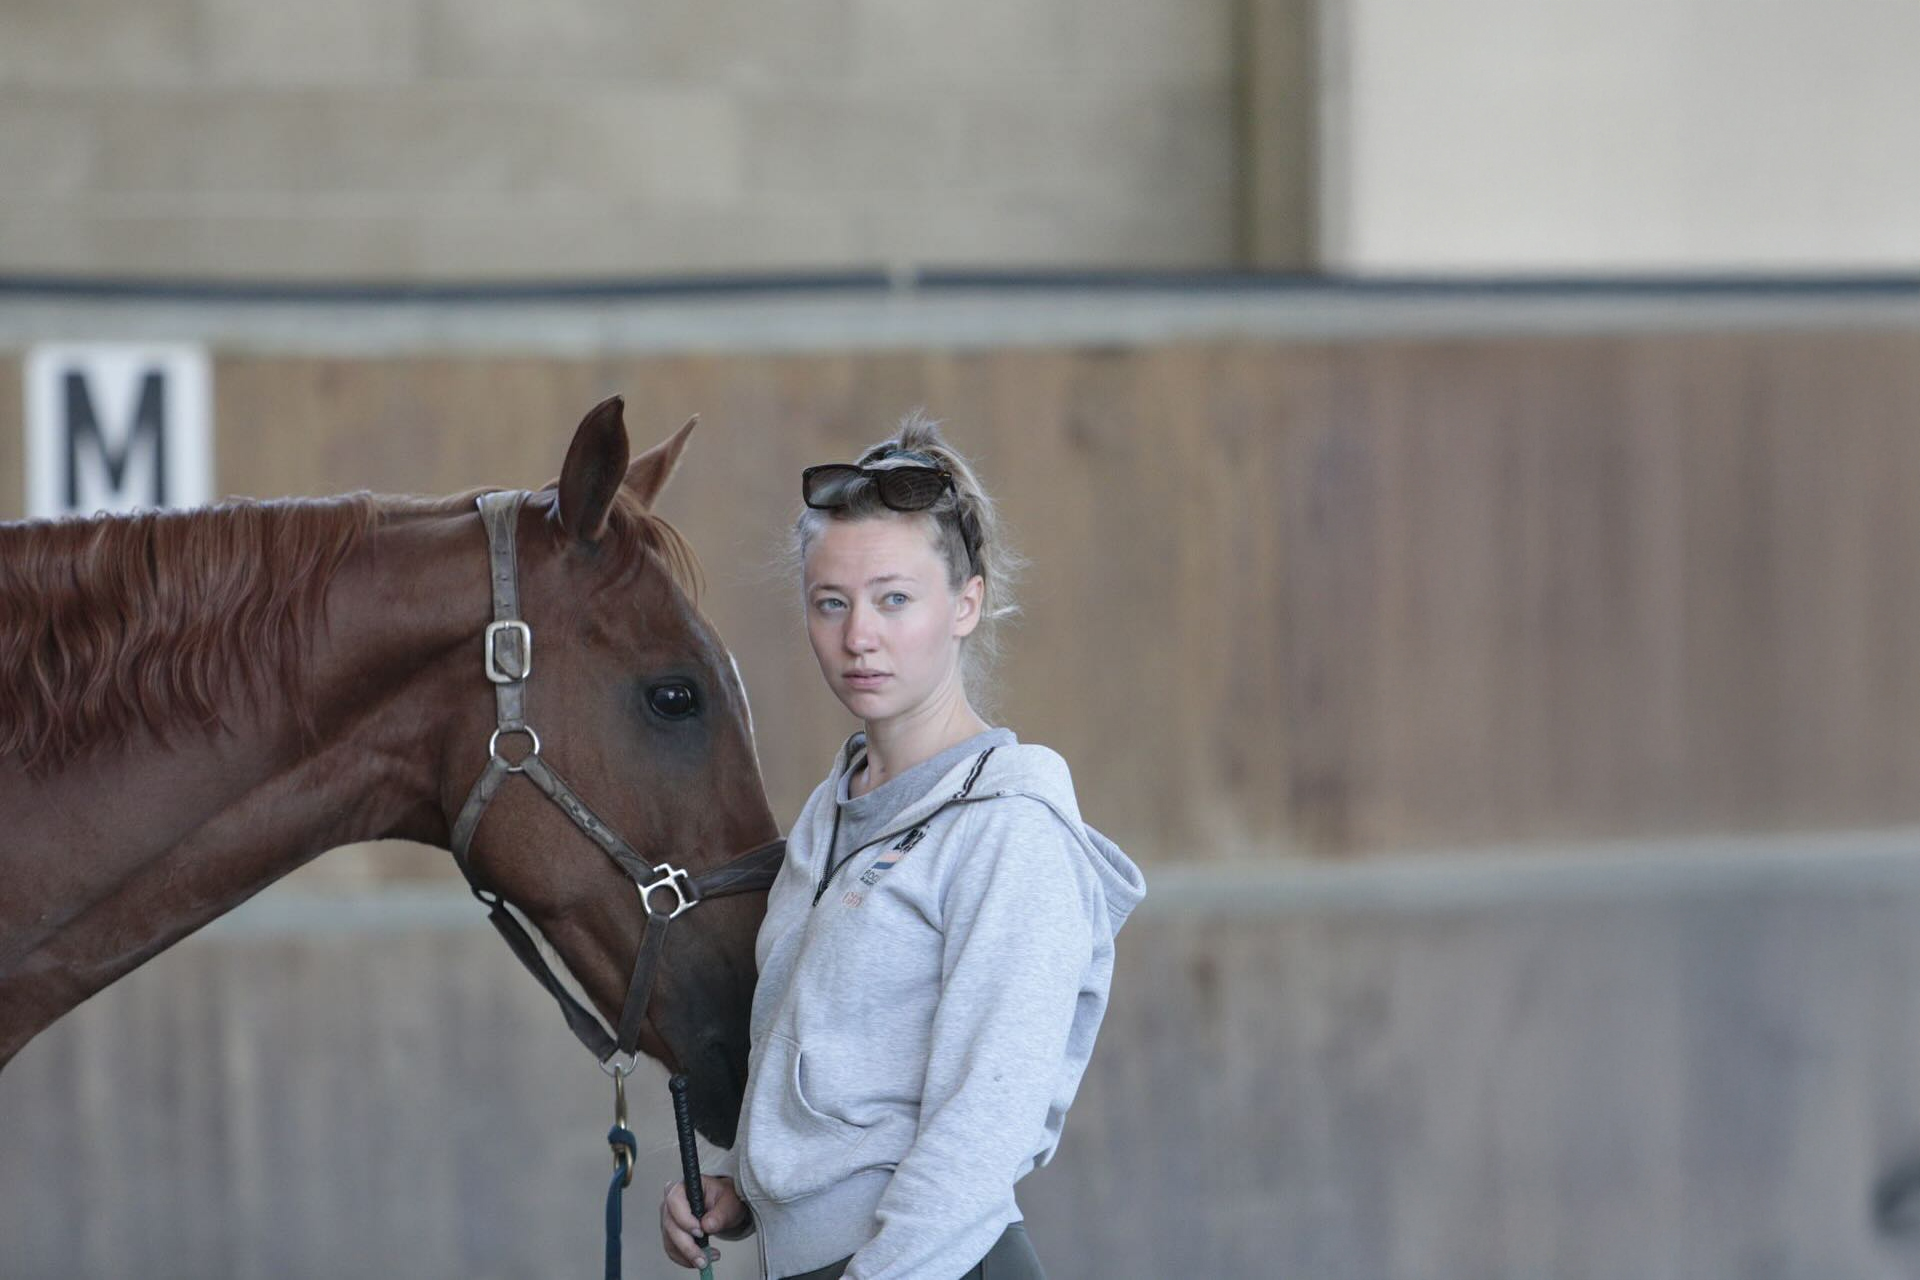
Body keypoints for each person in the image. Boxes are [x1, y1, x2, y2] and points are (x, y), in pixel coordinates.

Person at [659, 412, 1146, 1280]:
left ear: (966, 603)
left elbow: (981, 1131)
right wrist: (749, 1188)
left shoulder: (1009, 829)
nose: (859, 636)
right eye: (831, 603)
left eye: (894, 599)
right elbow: (841, 1070)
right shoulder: (833, 812)